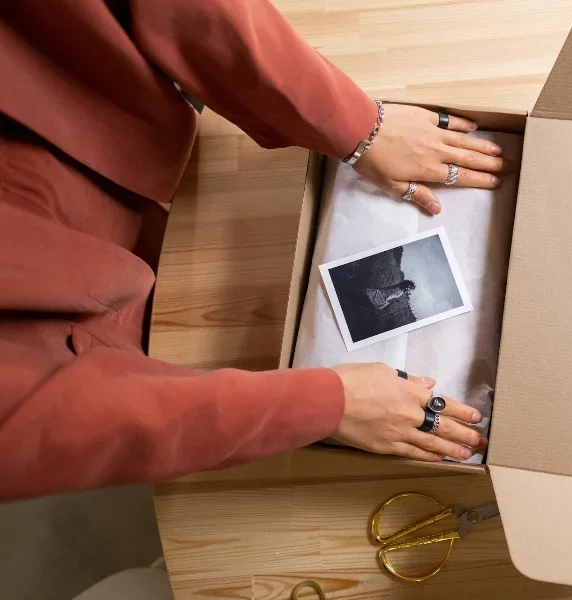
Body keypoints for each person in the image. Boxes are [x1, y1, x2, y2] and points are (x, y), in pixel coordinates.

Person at [0, 0, 505, 501]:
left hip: (123, 133)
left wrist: (355, 124)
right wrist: (326, 405)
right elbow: (46, 430)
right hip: (78, 340)